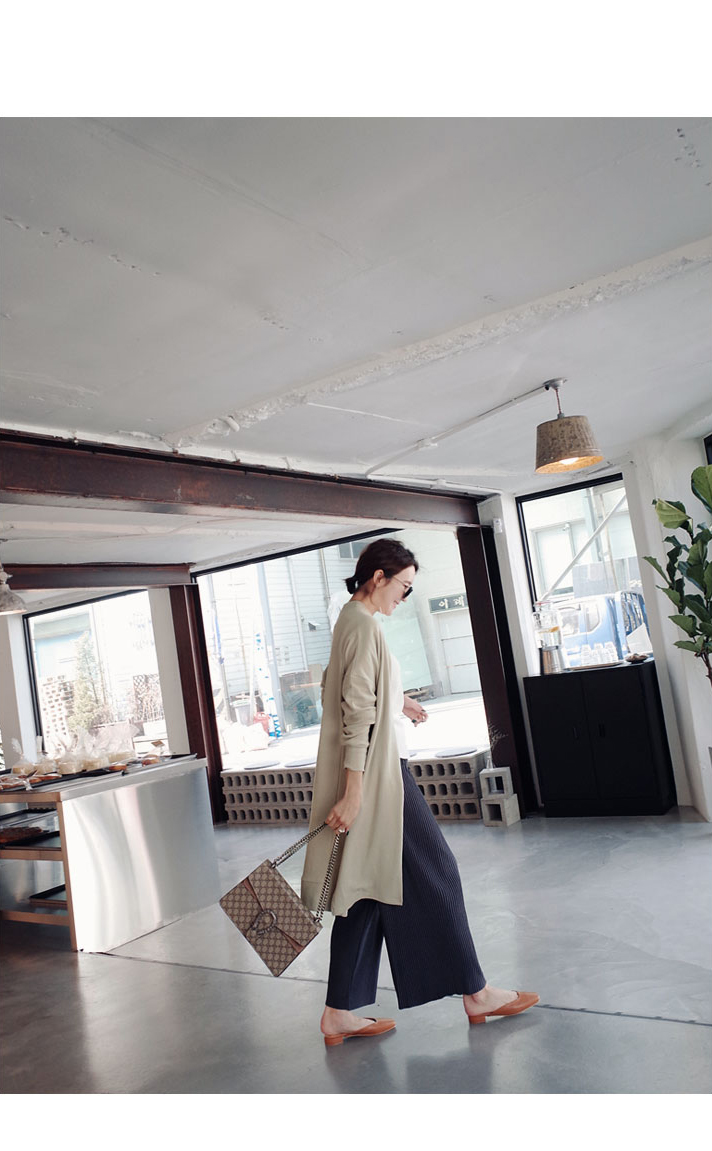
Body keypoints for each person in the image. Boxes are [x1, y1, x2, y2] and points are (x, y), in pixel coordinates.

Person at [301, 538, 539, 1046]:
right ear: (378, 577)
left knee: (366, 891)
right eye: (403, 587)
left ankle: (338, 1013)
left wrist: (400, 702)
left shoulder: (351, 619)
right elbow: (355, 710)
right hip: (380, 776)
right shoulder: (364, 625)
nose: (404, 597)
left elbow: (353, 689)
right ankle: (477, 993)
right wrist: (355, 791)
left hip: (377, 769)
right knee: (438, 870)